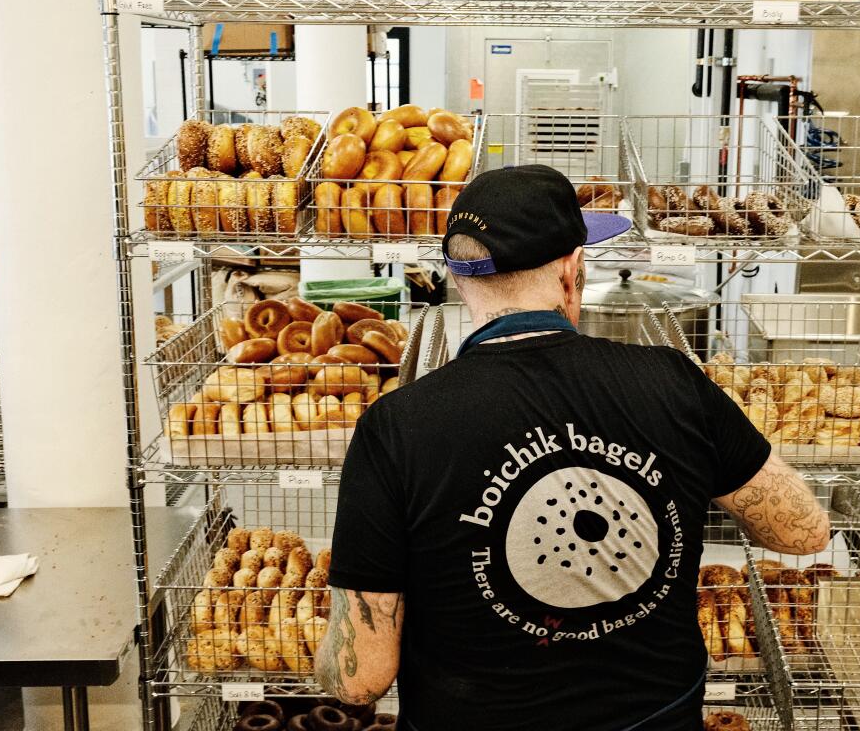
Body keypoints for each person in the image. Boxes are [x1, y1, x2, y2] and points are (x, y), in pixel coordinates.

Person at [316, 165, 831, 730]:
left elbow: (357, 680)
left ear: (458, 280)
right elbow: (802, 532)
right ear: (572, 270)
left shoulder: (395, 427)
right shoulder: (673, 382)